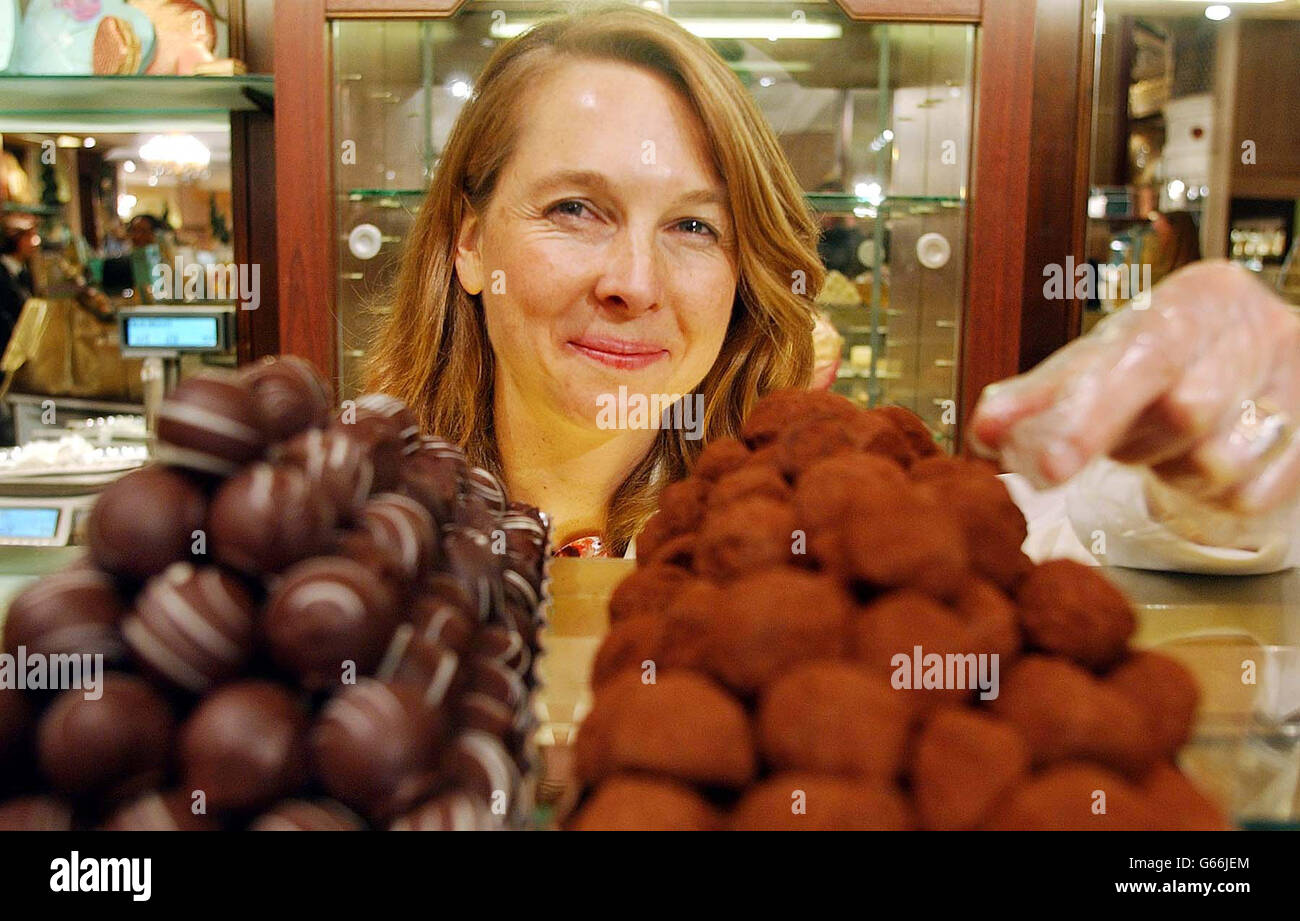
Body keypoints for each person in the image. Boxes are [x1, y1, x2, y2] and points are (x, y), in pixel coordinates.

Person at [368, 5, 1300, 569]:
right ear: (469, 243)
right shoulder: (330, 522)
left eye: (695, 226)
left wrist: (1224, 449)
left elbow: (1131, 536)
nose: (633, 281)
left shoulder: (831, 524)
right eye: (576, 208)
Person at [0, 214, 39, 358]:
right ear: (16, 241)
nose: (34, 242)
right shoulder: (3, 276)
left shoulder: (23, 272)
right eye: (29, 237)